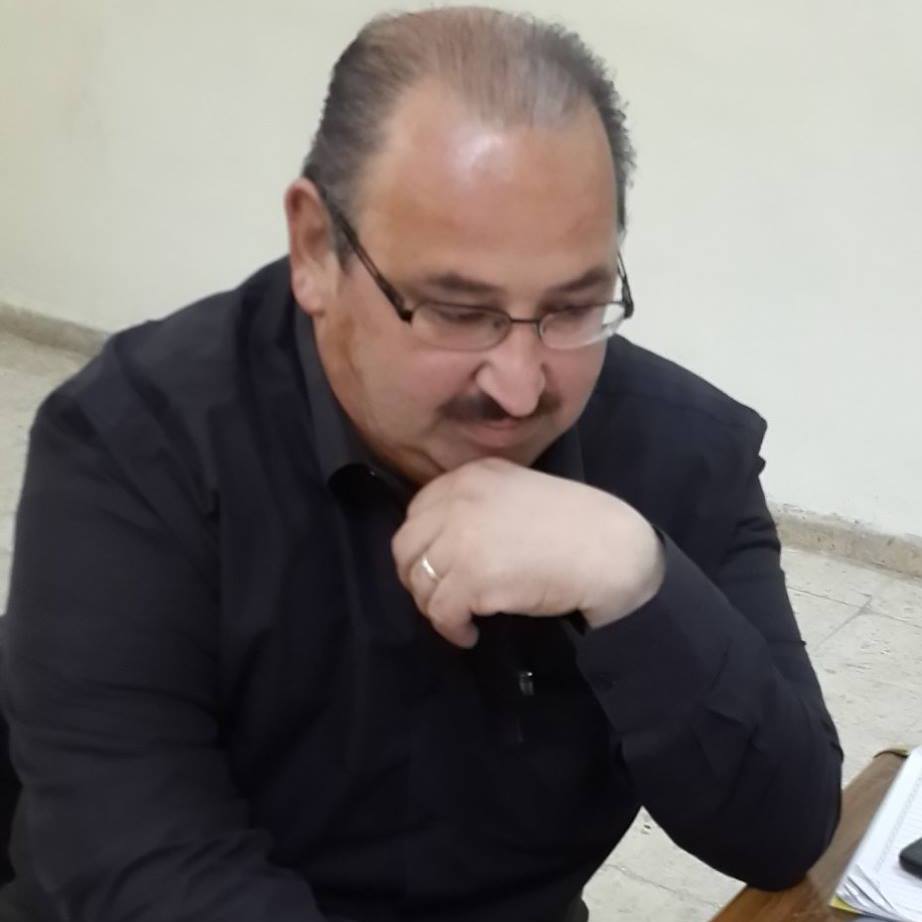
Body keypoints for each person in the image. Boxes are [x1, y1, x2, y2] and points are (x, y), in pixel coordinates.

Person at [0, 7, 842, 921]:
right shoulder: (135, 447)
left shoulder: (682, 451)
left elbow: (786, 831)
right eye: (457, 311)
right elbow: (139, 867)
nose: (520, 386)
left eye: (572, 308)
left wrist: (635, 581)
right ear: (315, 249)